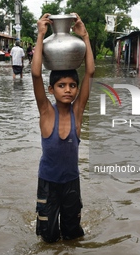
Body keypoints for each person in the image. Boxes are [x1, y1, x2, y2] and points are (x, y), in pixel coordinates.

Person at [31, 13, 94, 243]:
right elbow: (36, 73)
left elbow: (90, 73)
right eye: (61, 85)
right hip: (48, 184)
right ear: (51, 90)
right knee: (48, 238)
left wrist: (85, 37)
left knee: (72, 236)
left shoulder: (78, 113)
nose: (67, 90)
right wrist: (40, 35)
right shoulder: (47, 113)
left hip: (71, 185)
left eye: (72, 85)